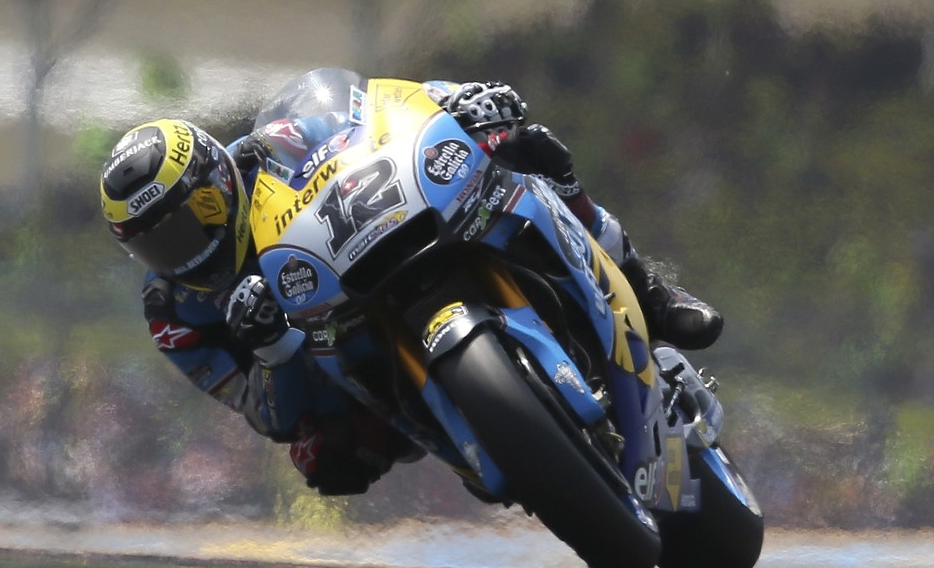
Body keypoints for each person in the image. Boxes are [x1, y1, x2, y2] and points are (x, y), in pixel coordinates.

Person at [98, 68, 722, 497]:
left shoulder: (271, 147)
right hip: (327, 366)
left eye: (196, 216)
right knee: (326, 461)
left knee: (531, 150)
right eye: (161, 242)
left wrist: (459, 101)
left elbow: (379, 113)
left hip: (383, 239)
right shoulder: (175, 314)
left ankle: (650, 294)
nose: (189, 246)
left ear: (219, 179)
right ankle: (486, 438)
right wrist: (271, 348)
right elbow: (266, 415)